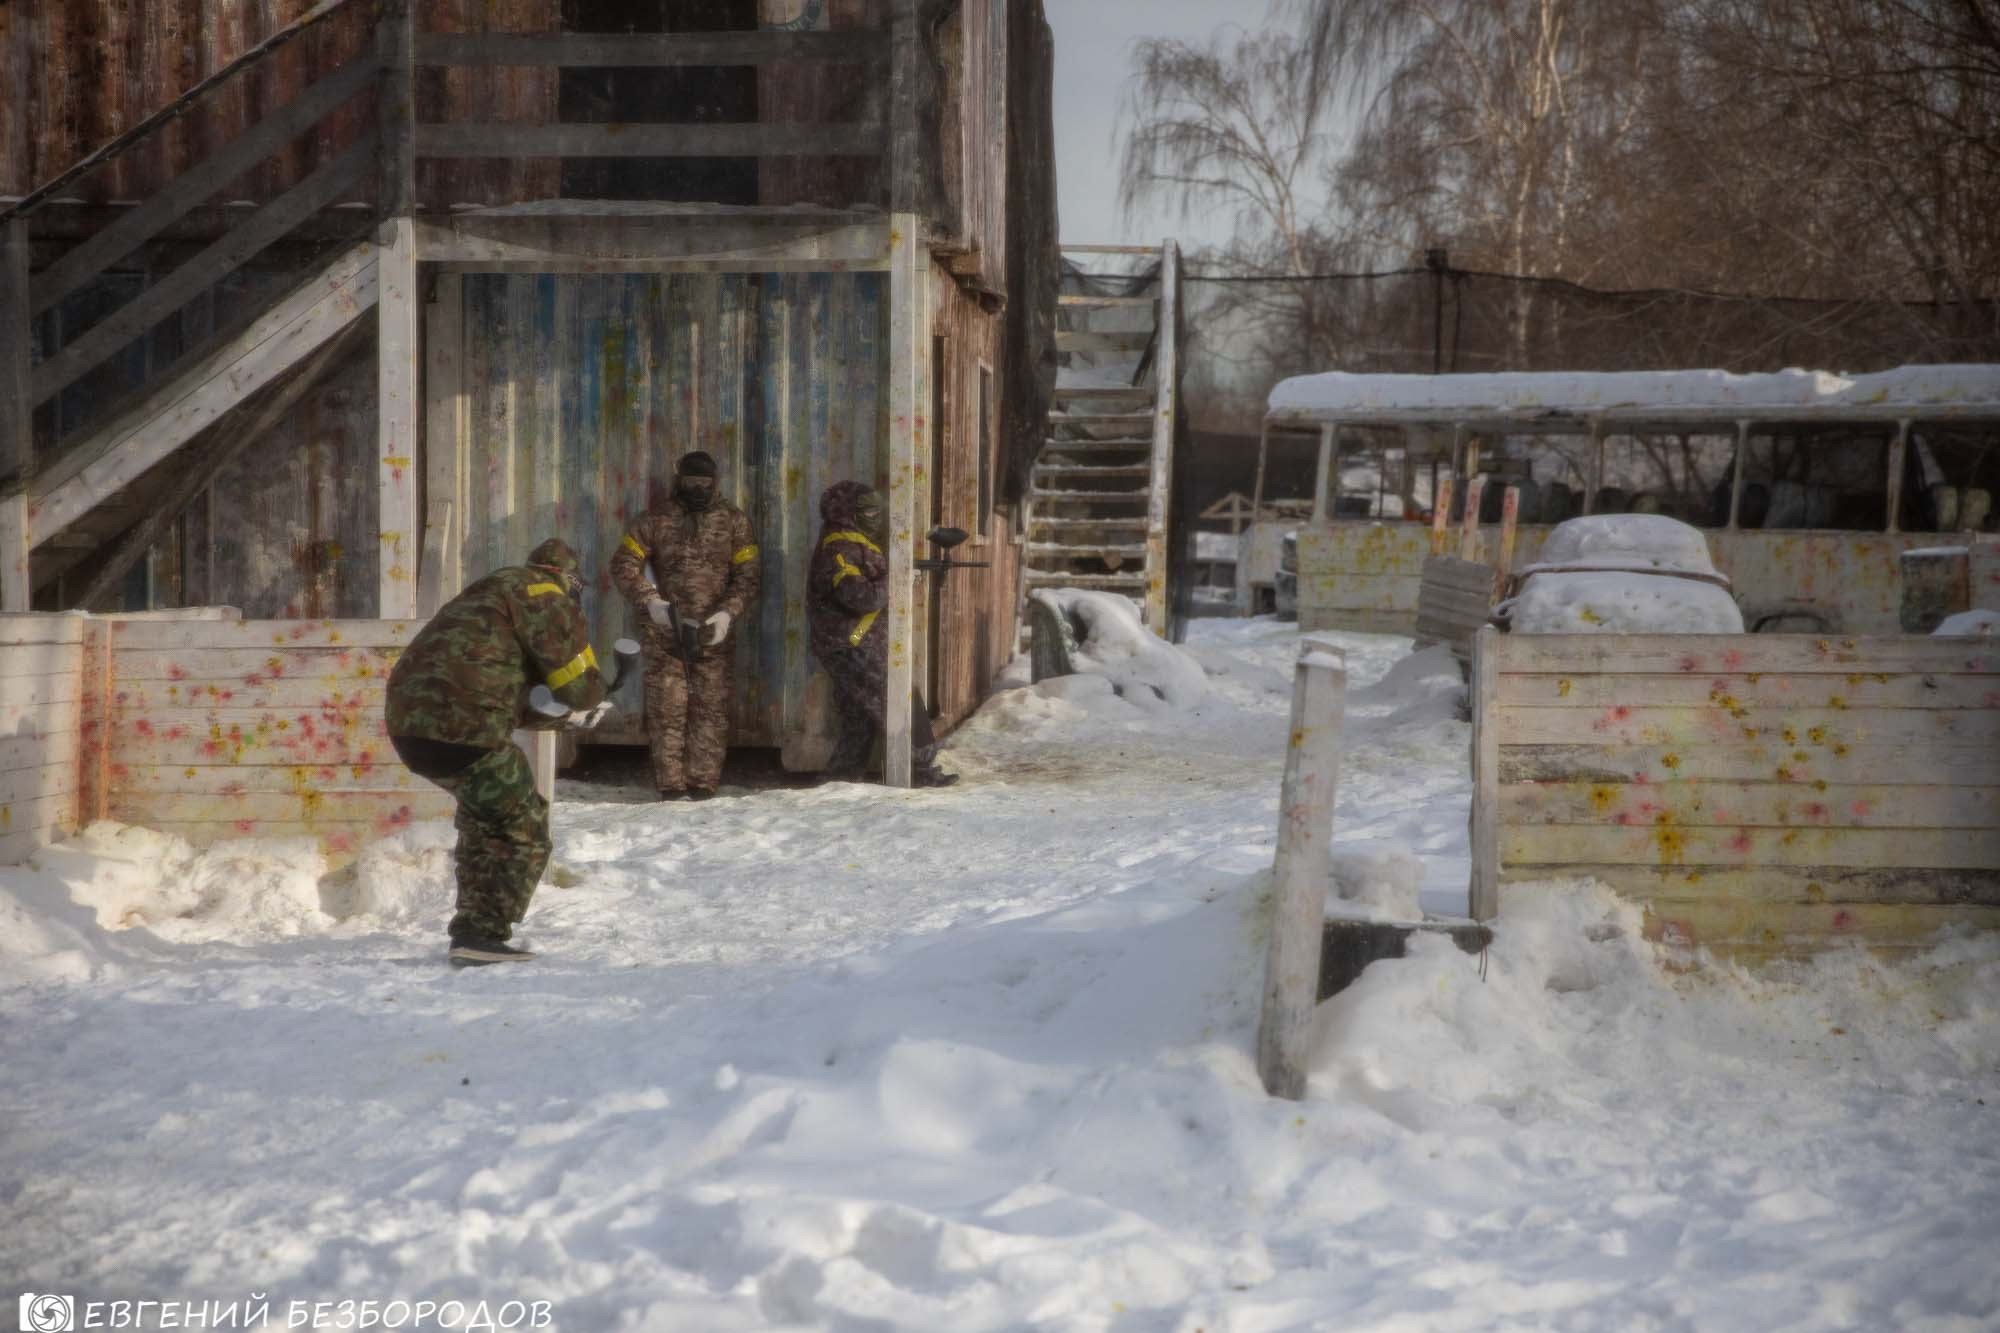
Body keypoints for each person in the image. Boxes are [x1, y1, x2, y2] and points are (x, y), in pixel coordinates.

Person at [385, 538, 608, 966]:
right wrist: (591, 699)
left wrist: (563, 719)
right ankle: (482, 934)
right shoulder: (547, 596)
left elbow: (489, 686)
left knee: (485, 821)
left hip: (410, 729)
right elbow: (580, 688)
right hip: (468, 730)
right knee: (524, 826)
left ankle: (473, 932)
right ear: (569, 580)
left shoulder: (487, 593)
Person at [610, 450, 761, 800]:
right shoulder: (655, 519)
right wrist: (650, 601)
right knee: (668, 707)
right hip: (666, 631)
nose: (698, 489)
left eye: (705, 483)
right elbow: (623, 564)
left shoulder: (734, 522)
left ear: (715, 483)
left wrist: (727, 613)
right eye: (692, 482)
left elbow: (749, 575)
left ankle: (702, 784)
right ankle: (671, 785)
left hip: (712, 630)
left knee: (711, 707)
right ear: (680, 481)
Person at [807, 481, 958, 788]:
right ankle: (921, 769)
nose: (875, 518)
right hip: (850, 644)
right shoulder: (839, 549)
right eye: (868, 512)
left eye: (877, 511)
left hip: (851, 642)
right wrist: (899, 578)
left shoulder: (852, 543)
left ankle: (840, 778)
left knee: (858, 716)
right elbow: (861, 597)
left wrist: (902, 574)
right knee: (899, 696)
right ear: (848, 513)